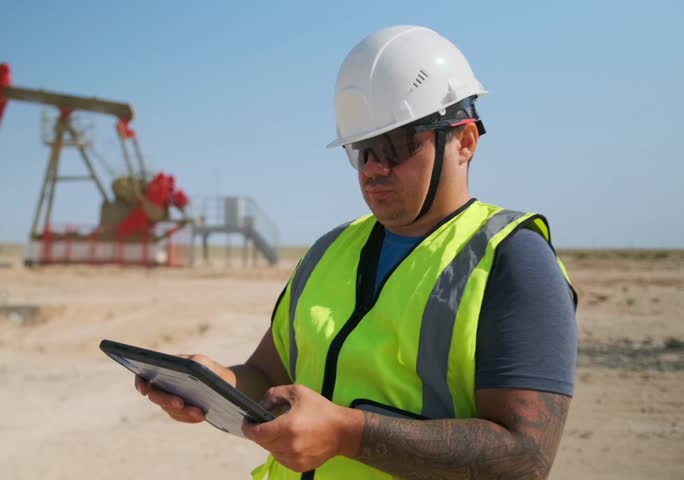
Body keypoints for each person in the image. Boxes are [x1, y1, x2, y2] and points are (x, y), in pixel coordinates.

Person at [135, 25, 577, 480]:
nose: (374, 169)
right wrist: (214, 384)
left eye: (399, 146)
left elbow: (524, 458)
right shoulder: (330, 251)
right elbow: (264, 374)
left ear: (464, 141)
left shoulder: (512, 259)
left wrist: (348, 434)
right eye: (362, 150)